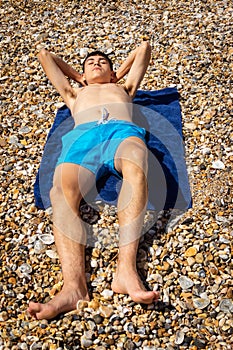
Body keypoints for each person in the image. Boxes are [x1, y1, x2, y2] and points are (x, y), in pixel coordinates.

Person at [27, 41, 160, 320]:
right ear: (82, 74)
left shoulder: (124, 89)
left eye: (103, 61)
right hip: (83, 137)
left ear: (114, 73)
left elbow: (144, 48)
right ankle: (74, 287)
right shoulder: (74, 95)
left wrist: (116, 76)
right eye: (91, 62)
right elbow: (45, 55)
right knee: (60, 193)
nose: (97, 62)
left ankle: (126, 270)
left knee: (137, 166)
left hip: (121, 132)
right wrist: (79, 78)